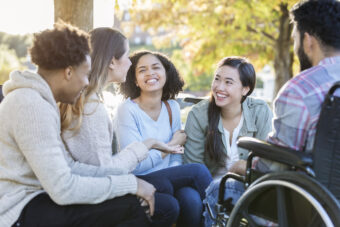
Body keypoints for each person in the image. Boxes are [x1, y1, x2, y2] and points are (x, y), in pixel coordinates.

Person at [0, 22, 152, 227]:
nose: (87, 83)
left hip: (37, 200)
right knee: (130, 206)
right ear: (68, 72)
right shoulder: (30, 105)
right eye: (85, 73)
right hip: (18, 211)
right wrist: (130, 184)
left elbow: (69, 167)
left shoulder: (40, 101)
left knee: (127, 201)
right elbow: (63, 188)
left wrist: (129, 182)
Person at [60, 31, 212, 227]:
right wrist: (164, 147)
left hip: (104, 181)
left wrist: (161, 151)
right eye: (127, 56)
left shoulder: (171, 107)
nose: (131, 63)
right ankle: (224, 215)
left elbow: (176, 156)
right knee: (185, 183)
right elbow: (103, 170)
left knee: (184, 197)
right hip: (98, 187)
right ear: (112, 62)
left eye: (156, 68)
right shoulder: (95, 107)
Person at [116, 50, 212, 227]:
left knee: (191, 200)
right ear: (135, 80)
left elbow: (178, 153)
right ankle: (222, 219)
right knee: (198, 171)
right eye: (142, 70)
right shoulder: (127, 110)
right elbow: (135, 164)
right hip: (140, 179)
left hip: (168, 178)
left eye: (155, 68)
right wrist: (170, 145)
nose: (150, 73)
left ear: (166, 74)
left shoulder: (172, 108)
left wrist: (174, 171)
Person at [183, 57, 272, 226]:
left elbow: (265, 165)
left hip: (245, 187)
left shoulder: (260, 112)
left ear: (245, 89)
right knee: (190, 197)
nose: (219, 87)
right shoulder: (198, 114)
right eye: (217, 79)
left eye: (228, 82)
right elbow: (193, 167)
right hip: (207, 186)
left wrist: (241, 166)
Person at [256, 0, 340, 171]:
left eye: (295, 39)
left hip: (308, 195)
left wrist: (243, 166)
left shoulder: (301, 90)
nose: (295, 47)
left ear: (308, 41)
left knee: (218, 187)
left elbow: (274, 168)